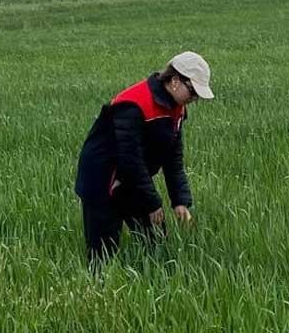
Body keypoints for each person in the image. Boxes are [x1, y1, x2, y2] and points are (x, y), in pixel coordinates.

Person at [74, 51, 214, 263]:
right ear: (175, 81)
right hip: (103, 180)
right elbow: (130, 159)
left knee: (156, 239)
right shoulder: (134, 105)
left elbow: (173, 158)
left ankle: (154, 280)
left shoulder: (176, 109)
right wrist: (152, 202)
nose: (194, 99)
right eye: (193, 92)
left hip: (133, 179)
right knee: (102, 254)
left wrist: (180, 201)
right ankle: (98, 289)